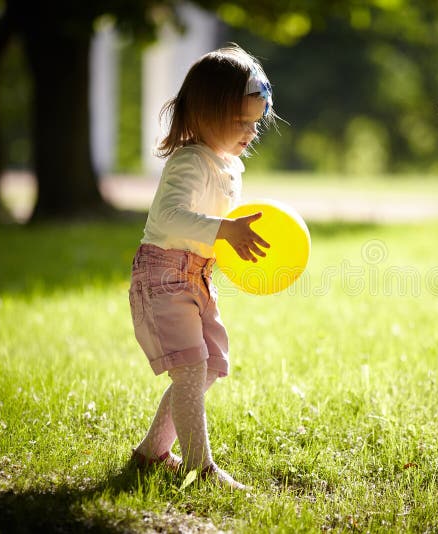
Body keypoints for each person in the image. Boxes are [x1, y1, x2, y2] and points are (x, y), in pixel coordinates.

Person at [127, 44, 276, 490]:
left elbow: (220, 226)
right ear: (207, 113)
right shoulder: (189, 162)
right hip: (164, 274)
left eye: (256, 123)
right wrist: (223, 228)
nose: (251, 132)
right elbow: (169, 218)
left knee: (210, 365)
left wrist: (234, 241)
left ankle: (152, 452)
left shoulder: (230, 164)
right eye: (241, 122)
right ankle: (200, 466)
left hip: (197, 275)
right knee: (191, 366)